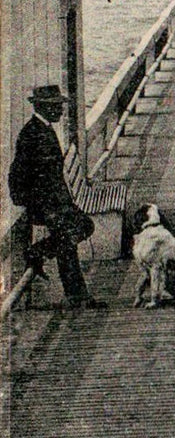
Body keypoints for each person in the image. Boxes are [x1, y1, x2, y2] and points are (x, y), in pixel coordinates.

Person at [7, 86, 104, 308]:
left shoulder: (41, 128)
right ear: (44, 107)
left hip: (49, 200)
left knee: (73, 233)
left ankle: (75, 293)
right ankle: (77, 295)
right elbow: (26, 176)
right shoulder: (33, 133)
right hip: (40, 202)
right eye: (57, 106)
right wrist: (53, 205)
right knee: (72, 234)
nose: (61, 110)